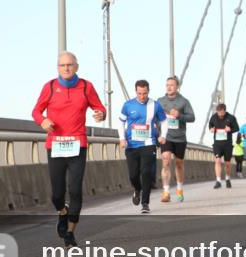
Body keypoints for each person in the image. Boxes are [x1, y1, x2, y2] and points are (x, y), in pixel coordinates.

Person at [32, 51, 107, 246]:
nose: (66, 68)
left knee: (75, 190)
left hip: (77, 145)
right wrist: (43, 120)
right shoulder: (49, 87)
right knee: (57, 194)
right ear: (58, 68)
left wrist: (101, 114)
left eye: (70, 65)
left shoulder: (85, 87)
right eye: (62, 65)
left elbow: (99, 107)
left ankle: (70, 232)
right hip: (55, 144)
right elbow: (36, 111)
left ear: (76, 67)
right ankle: (62, 212)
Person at [118, 80, 167, 213]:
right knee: (133, 175)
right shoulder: (128, 105)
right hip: (131, 145)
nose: (142, 96)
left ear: (148, 91)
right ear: (136, 92)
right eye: (139, 93)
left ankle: (145, 203)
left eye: (144, 93)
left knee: (146, 173)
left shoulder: (155, 105)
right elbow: (121, 122)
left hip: (148, 143)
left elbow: (164, 120)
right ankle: (137, 189)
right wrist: (122, 138)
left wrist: (163, 135)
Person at [157, 75, 195, 203]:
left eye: (172, 85)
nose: (169, 87)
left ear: (177, 87)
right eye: (167, 85)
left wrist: (179, 115)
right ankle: (166, 192)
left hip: (180, 137)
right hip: (166, 136)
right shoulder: (160, 101)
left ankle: (179, 189)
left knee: (179, 164)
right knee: (166, 161)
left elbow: (192, 117)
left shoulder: (184, 101)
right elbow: (154, 117)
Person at [208, 103, 240, 189]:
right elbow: (210, 125)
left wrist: (230, 129)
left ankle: (227, 178)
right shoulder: (214, 117)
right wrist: (211, 129)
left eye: (222, 113)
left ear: (225, 111)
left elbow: (237, 128)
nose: (220, 115)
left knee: (227, 163)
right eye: (219, 113)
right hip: (217, 143)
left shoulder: (231, 117)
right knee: (217, 160)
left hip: (227, 144)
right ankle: (218, 181)